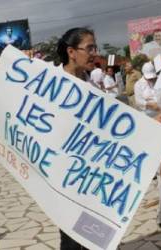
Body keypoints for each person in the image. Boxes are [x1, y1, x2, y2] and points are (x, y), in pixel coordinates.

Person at [57, 27, 98, 250]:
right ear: (72, 52)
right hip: (65, 175)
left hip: (92, 173)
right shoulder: (52, 82)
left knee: (93, 233)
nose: (94, 53)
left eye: (95, 47)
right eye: (89, 48)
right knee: (71, 237)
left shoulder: (92, 83)